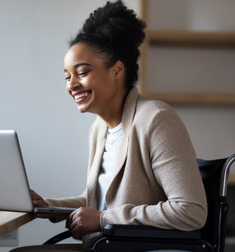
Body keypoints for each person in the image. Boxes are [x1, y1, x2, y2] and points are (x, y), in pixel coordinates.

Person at [13, 1, 207, 251]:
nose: (71, 85)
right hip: (101, 245)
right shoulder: (99, 129)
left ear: (117, 70)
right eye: (67, 76)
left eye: (81, 72)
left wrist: (103, 220)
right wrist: (48, 205)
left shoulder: (156, 119)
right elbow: (100, 201)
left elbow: (191, 211)